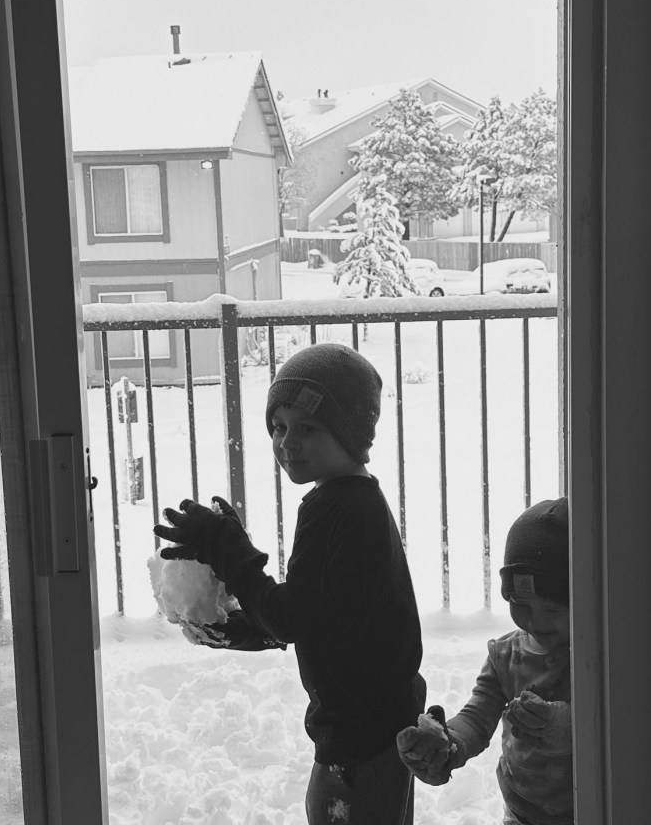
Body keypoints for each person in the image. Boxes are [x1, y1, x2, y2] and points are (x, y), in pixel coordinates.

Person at [154, 342, 426, 825]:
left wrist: (228, 549)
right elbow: (326, 615)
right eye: (279, 427)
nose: (287, 442)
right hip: (373, 726)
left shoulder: (345, 510)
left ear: (351, 433)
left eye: (308, 428)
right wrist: (246, 625)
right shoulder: (346, 502)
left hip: (362, 741)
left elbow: (296, 617)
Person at [397, 497, 572, 825]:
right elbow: (477, 718)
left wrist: (563, 725)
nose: (535, 621)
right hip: (520, 812)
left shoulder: (593, 654)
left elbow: (611, 721)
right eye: (520, 603)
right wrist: (448, 744)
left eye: (552, 608)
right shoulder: (505, 657)